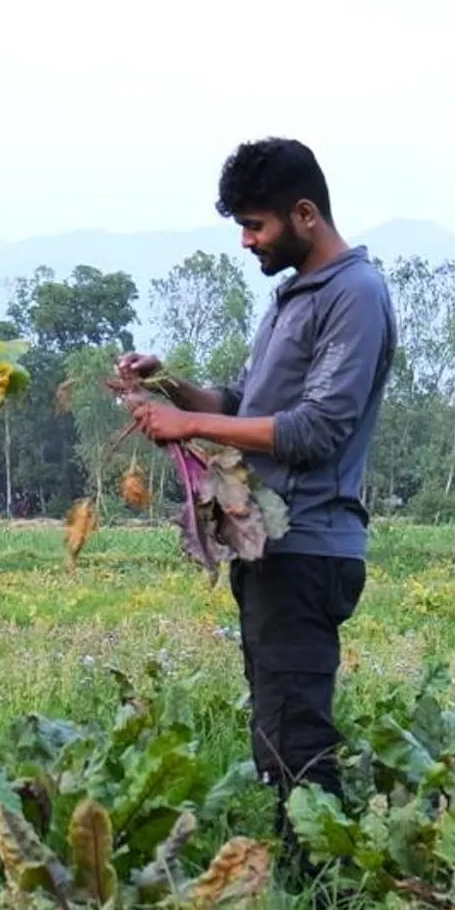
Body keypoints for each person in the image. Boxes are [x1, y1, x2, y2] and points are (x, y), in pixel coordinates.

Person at [119, 138, 395, 854]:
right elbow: (247, 403)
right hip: (272, 545)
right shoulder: (293, 298)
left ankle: (323, 895)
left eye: (257, 225)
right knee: (276, 724)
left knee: (299, 735)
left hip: (309, 545)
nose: (247, 241)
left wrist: (190, 424)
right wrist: (170, 385)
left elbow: (316, 429)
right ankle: (308, 887)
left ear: (305, 213)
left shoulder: (354, 296)